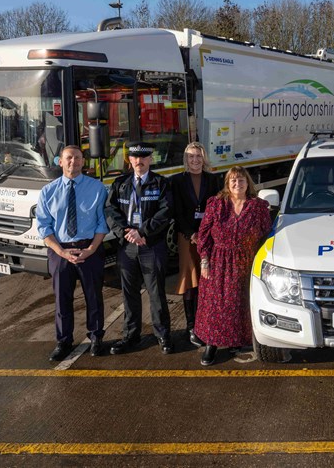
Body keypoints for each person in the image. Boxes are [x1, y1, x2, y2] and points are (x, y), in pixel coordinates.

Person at [36, 145, 109, 362]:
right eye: (68, 158)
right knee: (62, 298)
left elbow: (102, 224)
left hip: (89, 248)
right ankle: (64, 341)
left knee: (94, 297)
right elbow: (44, 228)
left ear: (83, 162)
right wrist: (61, 252)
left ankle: (96, 337)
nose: (73, 162)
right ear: (60, 161)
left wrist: (90, 250)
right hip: (60, 250)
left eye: (77, 158)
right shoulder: (47, 192)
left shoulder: (97, 188)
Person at [195, 166, 272, 366]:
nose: (237, 184)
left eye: (241, 180)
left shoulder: (258, 207)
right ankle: (211, 345)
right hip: (219, 262)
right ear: (228, 184)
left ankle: (235, 342)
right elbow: (203, 235)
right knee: (215, 305)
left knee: (241, 304)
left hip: (247, 263)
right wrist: (204, 261)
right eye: (233, 181)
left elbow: (267, 235)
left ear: (248, 183)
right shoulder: (216, 204)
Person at [106, 141, 175, 355]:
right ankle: (131, 336)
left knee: (156, 293)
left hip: (151, 245)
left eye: (143, 157)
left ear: (150, 159)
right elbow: (110, 211)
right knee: (130, 294)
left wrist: (143, 232)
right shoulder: (120, 184)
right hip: (127, 247)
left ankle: (163, 335)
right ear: (129, 160)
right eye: (135, 157)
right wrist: (125, 233)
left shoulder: (161, 183)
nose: (139, 161)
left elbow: (166, 212)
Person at [171, 142, 220, 347]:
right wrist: (192, 234)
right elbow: (177, 211)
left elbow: (218, 209)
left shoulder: (214, 180)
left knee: (208, 281)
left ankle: (207, 322)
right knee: (190, 281)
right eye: (191, 156)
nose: (195, 160)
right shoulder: (177, 181)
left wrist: (206, 234)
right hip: (187, 237)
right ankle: (192, 326)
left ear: (204, 158)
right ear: (186, 159)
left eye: (198, 156)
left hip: (210, 237)